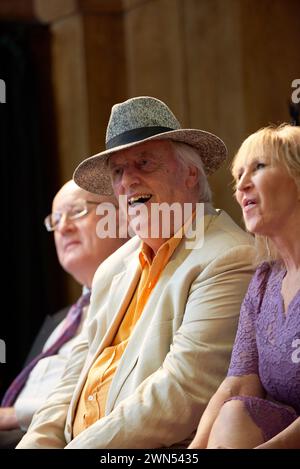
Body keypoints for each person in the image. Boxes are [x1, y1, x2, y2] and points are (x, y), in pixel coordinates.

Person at [17, 96, 255, 449]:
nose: (128, 181)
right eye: (118, 171)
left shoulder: (228, 257)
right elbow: (68, 387)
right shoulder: (113, 267)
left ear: (191, 174)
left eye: (144, 163)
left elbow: (182, 392)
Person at [189, 124, 300, 449]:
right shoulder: (264, 282)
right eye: (238, 177)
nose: (242, 187)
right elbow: (237, 384)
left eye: (259, 167)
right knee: (235, 412)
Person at [0, 179, 128, 448]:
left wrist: (13, 415)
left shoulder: (139, 301)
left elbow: (114, 399)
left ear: (124, 219)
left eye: (78, 212)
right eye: (55, 219)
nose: (64, 227)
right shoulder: (59, 321)